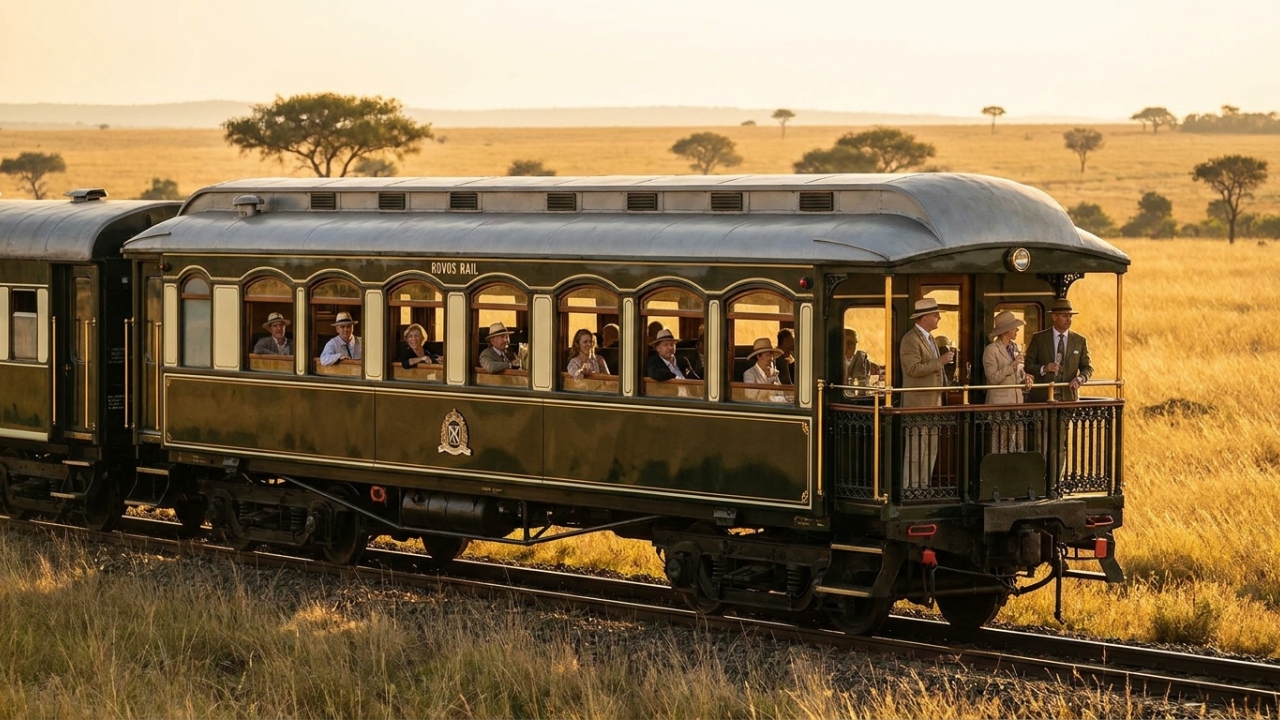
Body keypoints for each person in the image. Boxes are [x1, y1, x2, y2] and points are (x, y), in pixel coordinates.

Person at [899, 298, 955, 489]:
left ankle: (924, 485)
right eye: (935, 315)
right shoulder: (910, 339)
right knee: (916, 449)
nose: (939, 318)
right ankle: (911, 488)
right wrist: (941, 362)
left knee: (931, 447)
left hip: (933, 403)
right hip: (917, 404)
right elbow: (913, 369)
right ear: (924, 318)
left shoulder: (929, 338)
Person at [983, 311, 1034, 452]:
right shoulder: (991, 350)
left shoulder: (1015, 348)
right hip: (999, 406)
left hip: (1016, 405)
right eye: (1014, 327)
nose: (1017, 330)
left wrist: (1026, 379)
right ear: (1005, 331)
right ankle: (999, 472)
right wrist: (1011, 366)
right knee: (1000, 445)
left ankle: (1014, 472)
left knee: (1016, 444)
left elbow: (1017, 376)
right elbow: (992, 378)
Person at [1024, 298, 1093, 402]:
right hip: (1042, 398)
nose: (1068, 319)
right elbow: (1028, 365)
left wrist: (1080, 379)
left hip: (1068, 398)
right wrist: (1044, 368)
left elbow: (1088, 368)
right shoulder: (1039, 339)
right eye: (1064, 316)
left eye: (1070, 316)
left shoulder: (1079, 341)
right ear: (1054, 317)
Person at [742, 337, 788, 403]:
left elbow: (781, 394)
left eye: (771, 355)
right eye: (767, 355)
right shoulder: (749, 374)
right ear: (758, 356)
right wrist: (769, 384)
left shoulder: (774, 372)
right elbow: (750, 396)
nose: (771, 358)